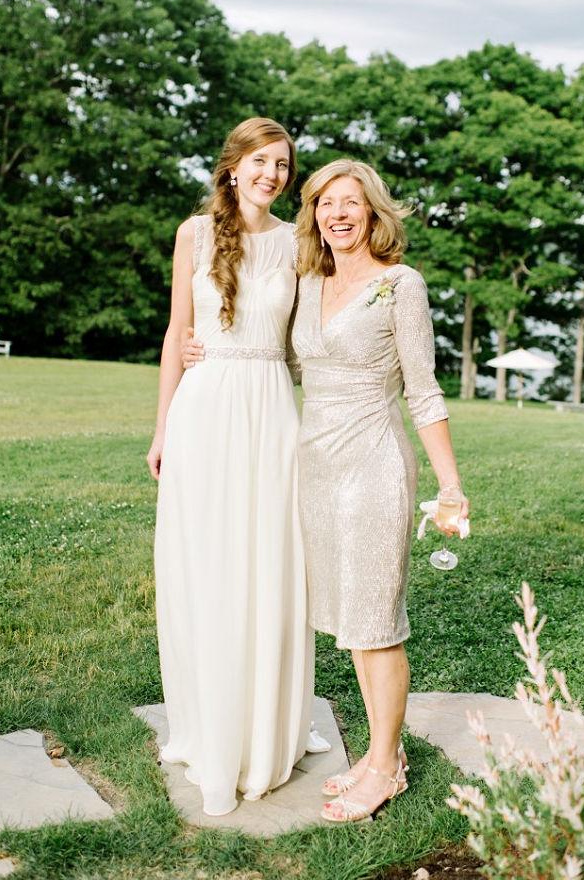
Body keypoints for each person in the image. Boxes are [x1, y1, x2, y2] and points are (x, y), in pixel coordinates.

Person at [147, 117, 325, 818]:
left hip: (272, 411)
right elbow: (176, 334)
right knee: (209, 565)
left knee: (271, 564)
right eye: (261, 161)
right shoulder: (193, 235)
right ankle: (209, 725)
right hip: (205, 410)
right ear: (233, 166)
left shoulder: (296, 241)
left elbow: (311, 333)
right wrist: (161, 427)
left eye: (282, 165)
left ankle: (269, 727)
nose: (272, 174)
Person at [291, 159, 469, 823]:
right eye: (325, 204)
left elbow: (423, 389)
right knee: (352, 624)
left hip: (373, 466)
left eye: (350, 203)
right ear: (314, 214)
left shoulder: (400, 285)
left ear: (373, 213)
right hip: (315, 469)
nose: (337, 214)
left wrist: (450, 484)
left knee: (375, 622)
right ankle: (375, 754)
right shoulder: (310, 282)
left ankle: (387, 765)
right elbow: (286, 361)